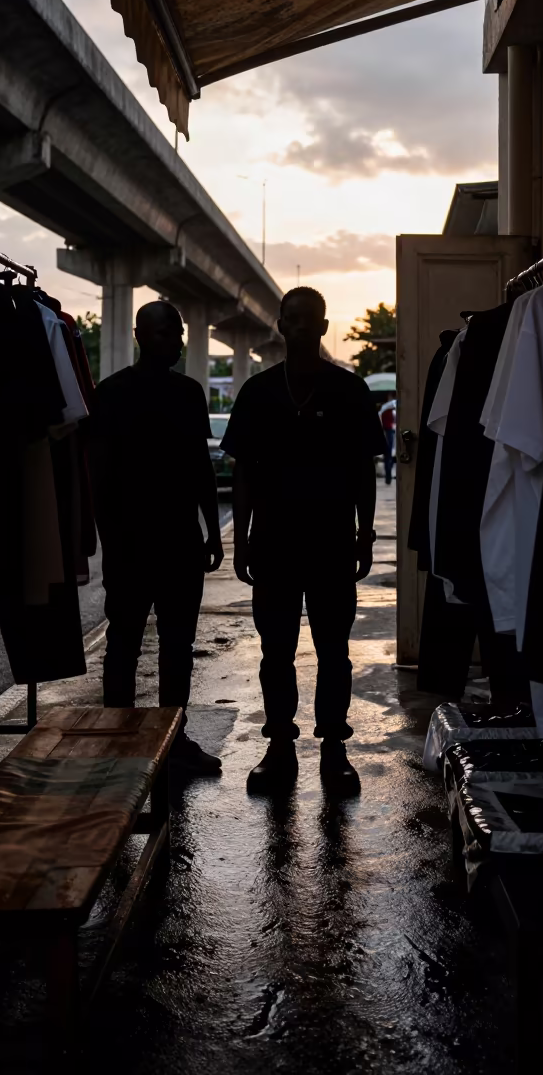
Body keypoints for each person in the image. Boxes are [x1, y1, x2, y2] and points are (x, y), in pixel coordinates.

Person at [221, 287, 385, 795]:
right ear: (279, 324)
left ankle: (334, 747)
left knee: (334, 650)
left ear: (322, 325)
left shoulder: (350, 390)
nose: (297, 327)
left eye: (307, 319)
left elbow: (365, 470)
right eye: (290, 319)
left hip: (332, 541)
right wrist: (242, 541)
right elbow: (244, 472)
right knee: (276, 652)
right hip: (273, 541)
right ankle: (280, 745)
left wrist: (365, 534)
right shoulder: (258, 391)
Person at [88, 300, 224, 774]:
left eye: (180, 333)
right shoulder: (111, 395)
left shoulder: (183, 393)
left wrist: (212, 529)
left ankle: (167, 737)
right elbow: (98, 477)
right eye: (168, 333)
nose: (178, 342)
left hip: (174, 539)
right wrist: (107, 537)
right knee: (131, 640)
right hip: (141, 541)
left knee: (171, 643)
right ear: (142, 336)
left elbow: (199, 466)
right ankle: (127, 736)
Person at [379, 392, 396, 484]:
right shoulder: (388, 411)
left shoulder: (385, 410)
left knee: (388, 455)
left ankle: (388, 476)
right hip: (389, 431)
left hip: (388, 431)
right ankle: (388, 475)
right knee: (389, 454)